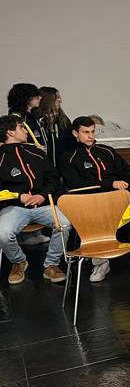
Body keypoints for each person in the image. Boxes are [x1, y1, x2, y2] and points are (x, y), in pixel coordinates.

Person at [58, 116, 130, 282]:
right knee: (93, 218)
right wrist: (110, 184)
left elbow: (127, 172)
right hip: (89, 200)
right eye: (86, 132)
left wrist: (125, 187)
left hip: (117, 196)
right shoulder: (67, 156)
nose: (90, 136)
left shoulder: (107, 151)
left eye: (92, 132)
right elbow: (75, 183)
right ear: (75, 133)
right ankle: (100, 263)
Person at [0, 115, 70, 284]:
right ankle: (18, 261)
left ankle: (51, 264)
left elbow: (53, 178)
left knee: (65, 224)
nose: (26, 131)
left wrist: (42, 195)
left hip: (43, 203)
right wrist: (18, 196)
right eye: (21, 127)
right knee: (3, 234)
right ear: (10, 132)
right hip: (14, 206)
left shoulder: (36, 152)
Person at [36, 87, 73, 165]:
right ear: (47, 100)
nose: (60, 101)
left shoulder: (63, 119)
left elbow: (71, 140)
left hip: (62, 164)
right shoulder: (36, 120)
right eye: (57, 98)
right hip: (43, 164)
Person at [7, 83, 47, 154]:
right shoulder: (16, 117)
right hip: (29, 157)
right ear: (26, 98)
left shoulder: (34, 117)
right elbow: (14, 142)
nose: (40, 98)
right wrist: (33, 148)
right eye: (36, 96)